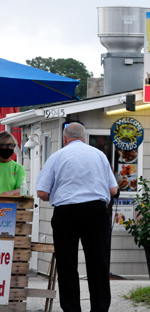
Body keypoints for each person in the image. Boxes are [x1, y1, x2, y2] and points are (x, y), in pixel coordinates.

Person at [36, 123, 118, 312]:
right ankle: (99, 308)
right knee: (98, 263)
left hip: (66, 213)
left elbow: (41, 192)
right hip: (96, 212)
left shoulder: (57, 157)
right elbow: (113, 190)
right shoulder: (99, 155)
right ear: (84, 137)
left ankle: (72, 309)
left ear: (65, 138)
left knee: (67, 264)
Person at [0, 131, 25, 196]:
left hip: (10, 205)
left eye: (11, 145)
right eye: (4, 145)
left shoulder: (18, 168)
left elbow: (22, 189)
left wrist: (9, 193)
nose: (8, 148)